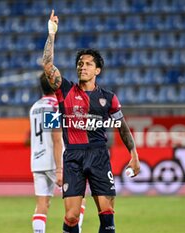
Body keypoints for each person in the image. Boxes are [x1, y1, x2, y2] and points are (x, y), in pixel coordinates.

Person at [42, 10, 140, 233]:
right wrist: (51, 33)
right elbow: (48, 66)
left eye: (87, 64)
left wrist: (133, 154)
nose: (82, 66)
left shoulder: (109, 97)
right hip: (73, 156)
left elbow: (122, 127)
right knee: (71, 216)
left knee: (107, 215)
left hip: (98, 155)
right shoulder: (65, 90)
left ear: (97, 70)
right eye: (79, 63)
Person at [29, 74, 86, 233]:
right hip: (55, 161)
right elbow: (56, 138)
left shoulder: (35, 107)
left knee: (42, 205)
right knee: (78, 201)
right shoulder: (55, 106)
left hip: (37, 161)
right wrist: (59, 169)